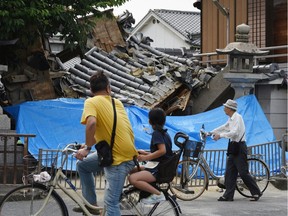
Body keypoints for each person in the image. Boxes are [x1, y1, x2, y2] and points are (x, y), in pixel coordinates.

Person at [75, 71, 138, 215]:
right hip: (123, 152)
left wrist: (88, 148)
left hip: (118, 158)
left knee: (111, 202)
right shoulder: (117, 102)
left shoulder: (91, 101)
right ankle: (91, 204)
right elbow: (110, 130)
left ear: (91, 90)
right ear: (108, 88)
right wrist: (86, 145)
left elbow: (91, 124)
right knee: (83, 165)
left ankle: (96, 206)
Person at [208, 99, 262, 201]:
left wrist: (220, 136)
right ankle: (228, 195)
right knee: (229, 172)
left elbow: (234, 133)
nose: (224, 108)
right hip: (233, 146)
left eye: (225, 107)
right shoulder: (231, 119)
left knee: (243, 172)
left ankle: (256, 192)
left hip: (240, 147)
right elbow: (224, 127)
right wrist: (210, 132)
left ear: (229, 109)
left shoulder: (238, 118)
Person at [128, 107, 173, 204]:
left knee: (132, 178)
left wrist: (145, 157)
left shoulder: (157, 133)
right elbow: (161, 154)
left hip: (158, 169)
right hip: (161, 167)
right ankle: (141, 192)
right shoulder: (165, 134)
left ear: (150, 121)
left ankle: (157, 194)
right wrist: (145, 153)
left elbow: (162, 151)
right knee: (132, 170)